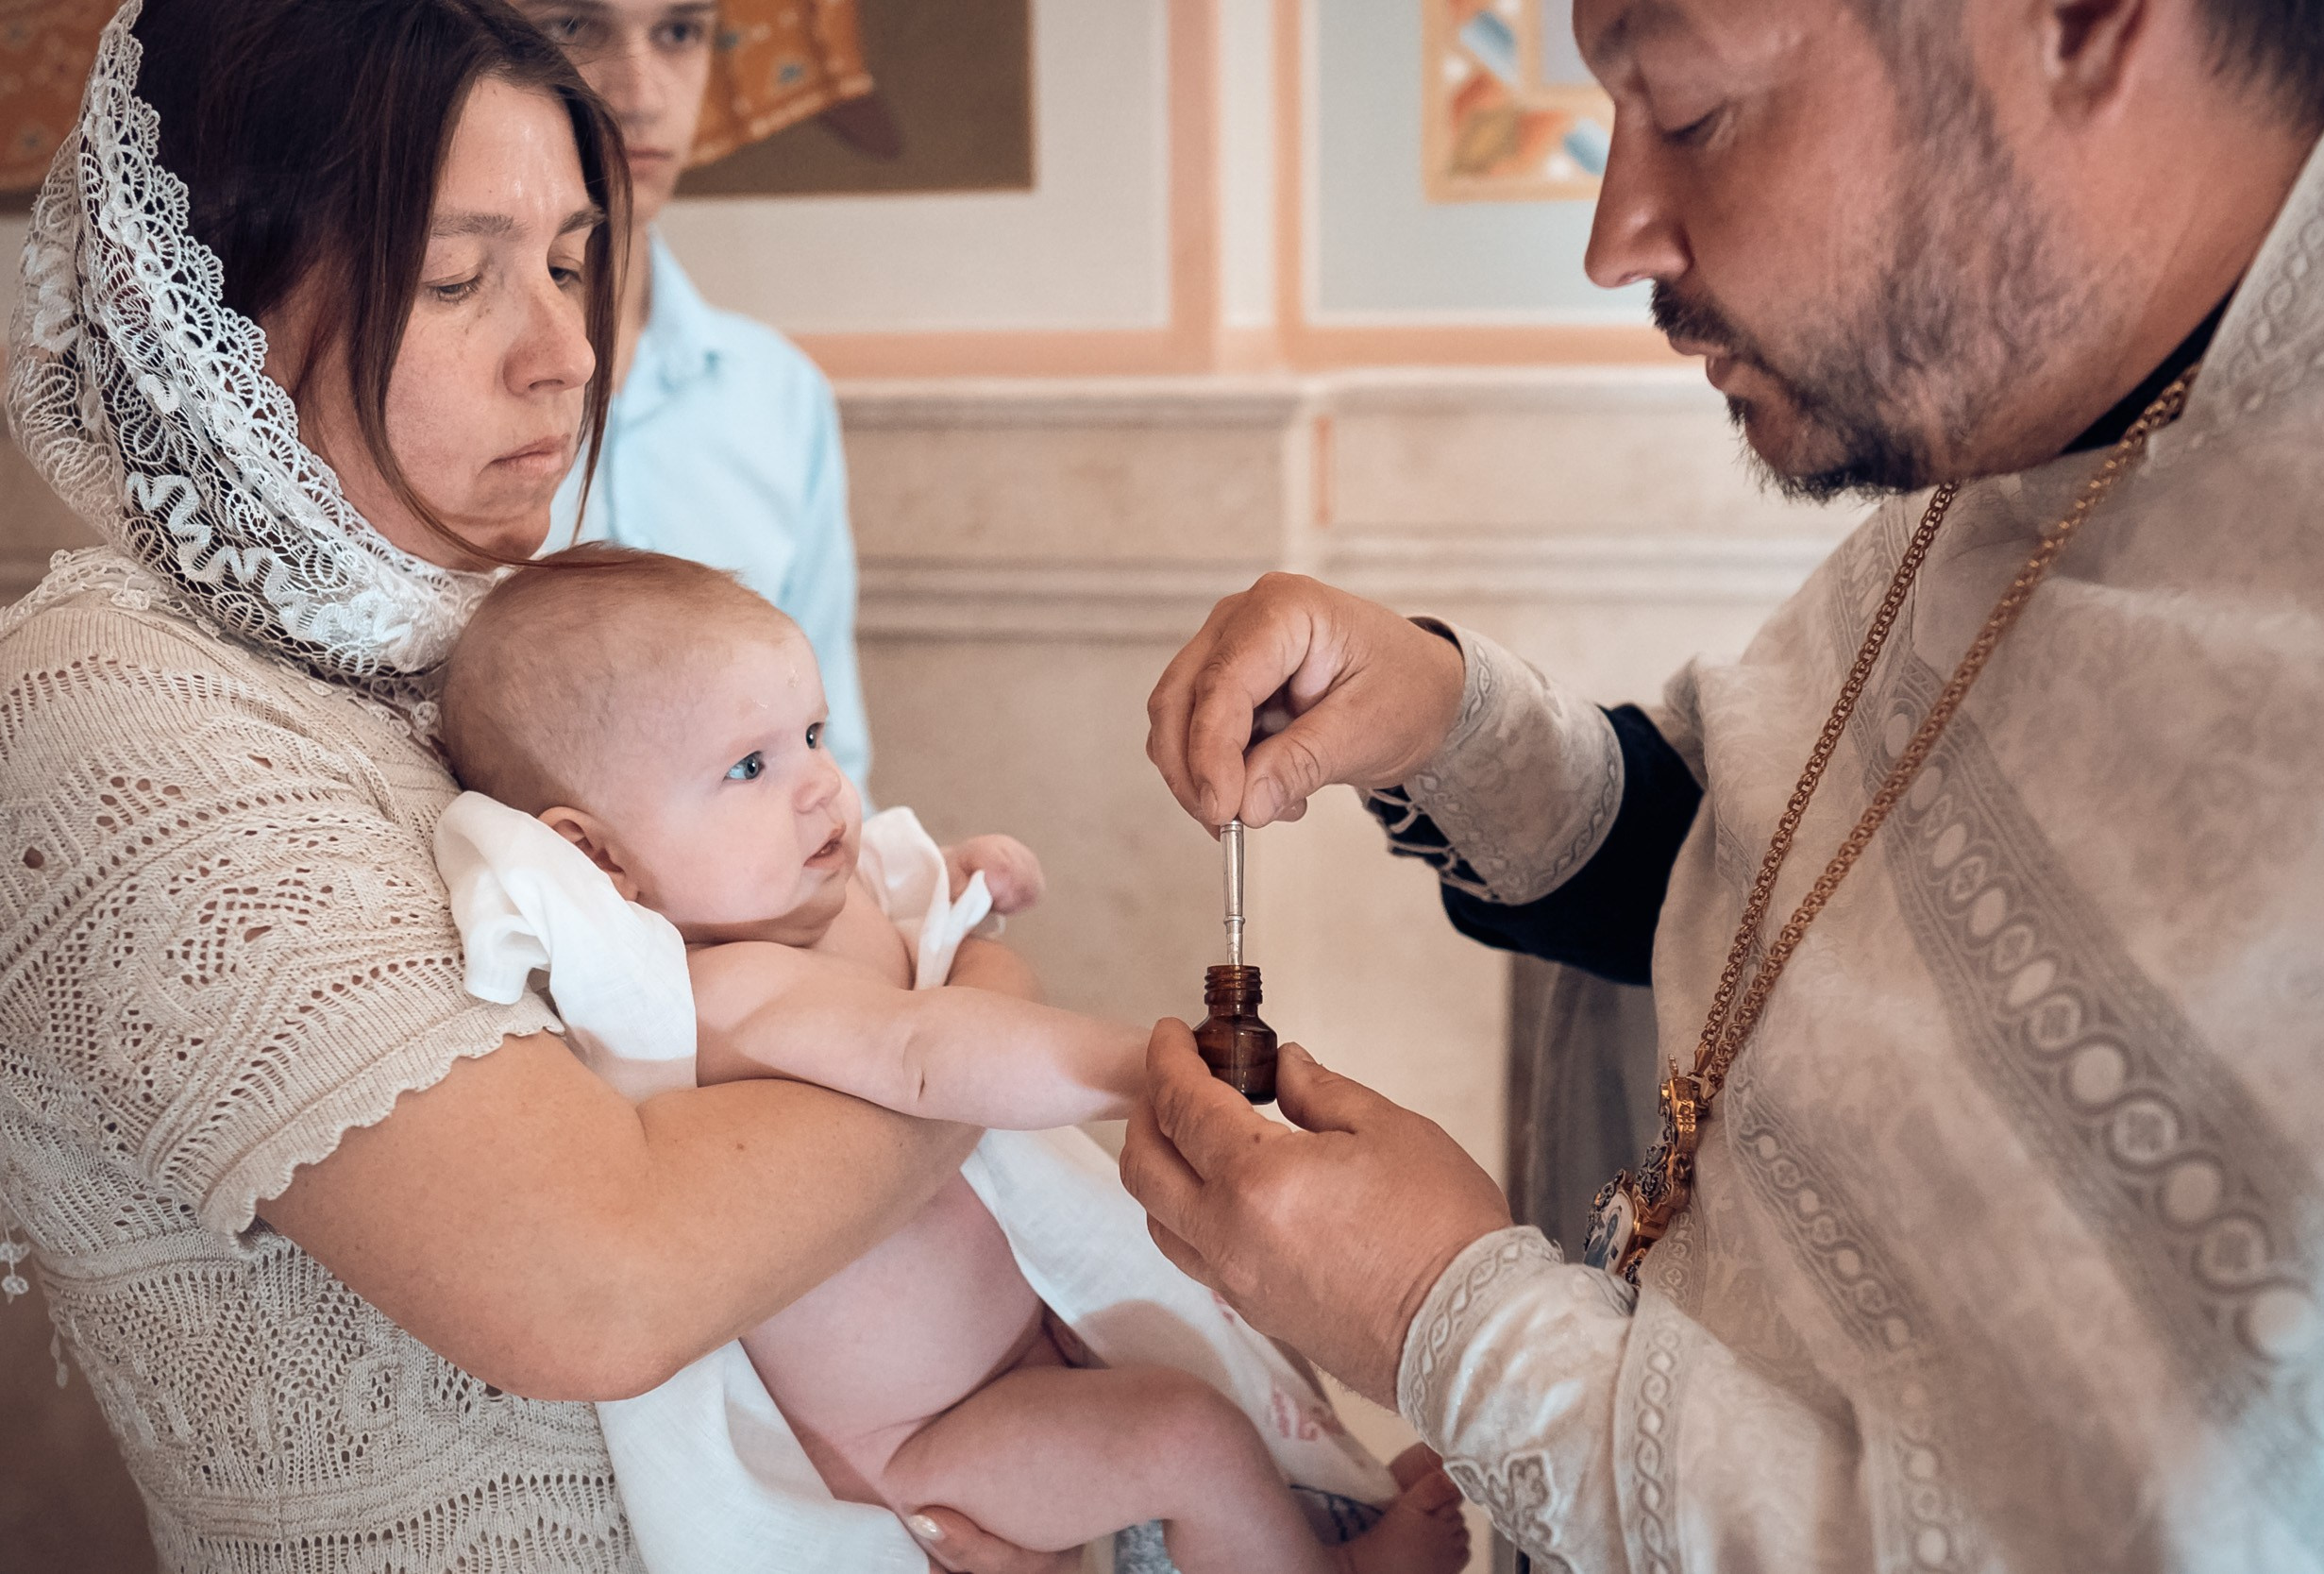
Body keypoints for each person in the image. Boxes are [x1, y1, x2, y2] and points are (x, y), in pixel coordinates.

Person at [1121, 1, 2324, 1570]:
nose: (1615, 236)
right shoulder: (2062, 412)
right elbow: (1768, 864)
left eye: (1692, 111)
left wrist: (1449, 1321)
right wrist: (1440, 713)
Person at [0, 2, 1051, 1568]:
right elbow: (599, 1279)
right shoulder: (111, 708)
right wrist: (968, 1037)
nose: (566, 355)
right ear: (210, 307)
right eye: (454, 275)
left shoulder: (485, 646)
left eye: (570, 262)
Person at [433, 545, 1472, 1574]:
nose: (819, 788)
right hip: (923, 1439)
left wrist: (957, 877)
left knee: (1229, 1340)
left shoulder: (813, 910)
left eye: (810, 734)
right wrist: (1145, 1067)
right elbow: (924, 1050)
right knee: (1183, 1437)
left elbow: (915, 940)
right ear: (600, 855)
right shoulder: (718, 992)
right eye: (749, 767)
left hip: (1018, 1337)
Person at [520, 0, 875, 794]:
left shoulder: (778, 394)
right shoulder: (413, 388)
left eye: (679, 32)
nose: (641, 96)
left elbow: (832, 760)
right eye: (572, 26)